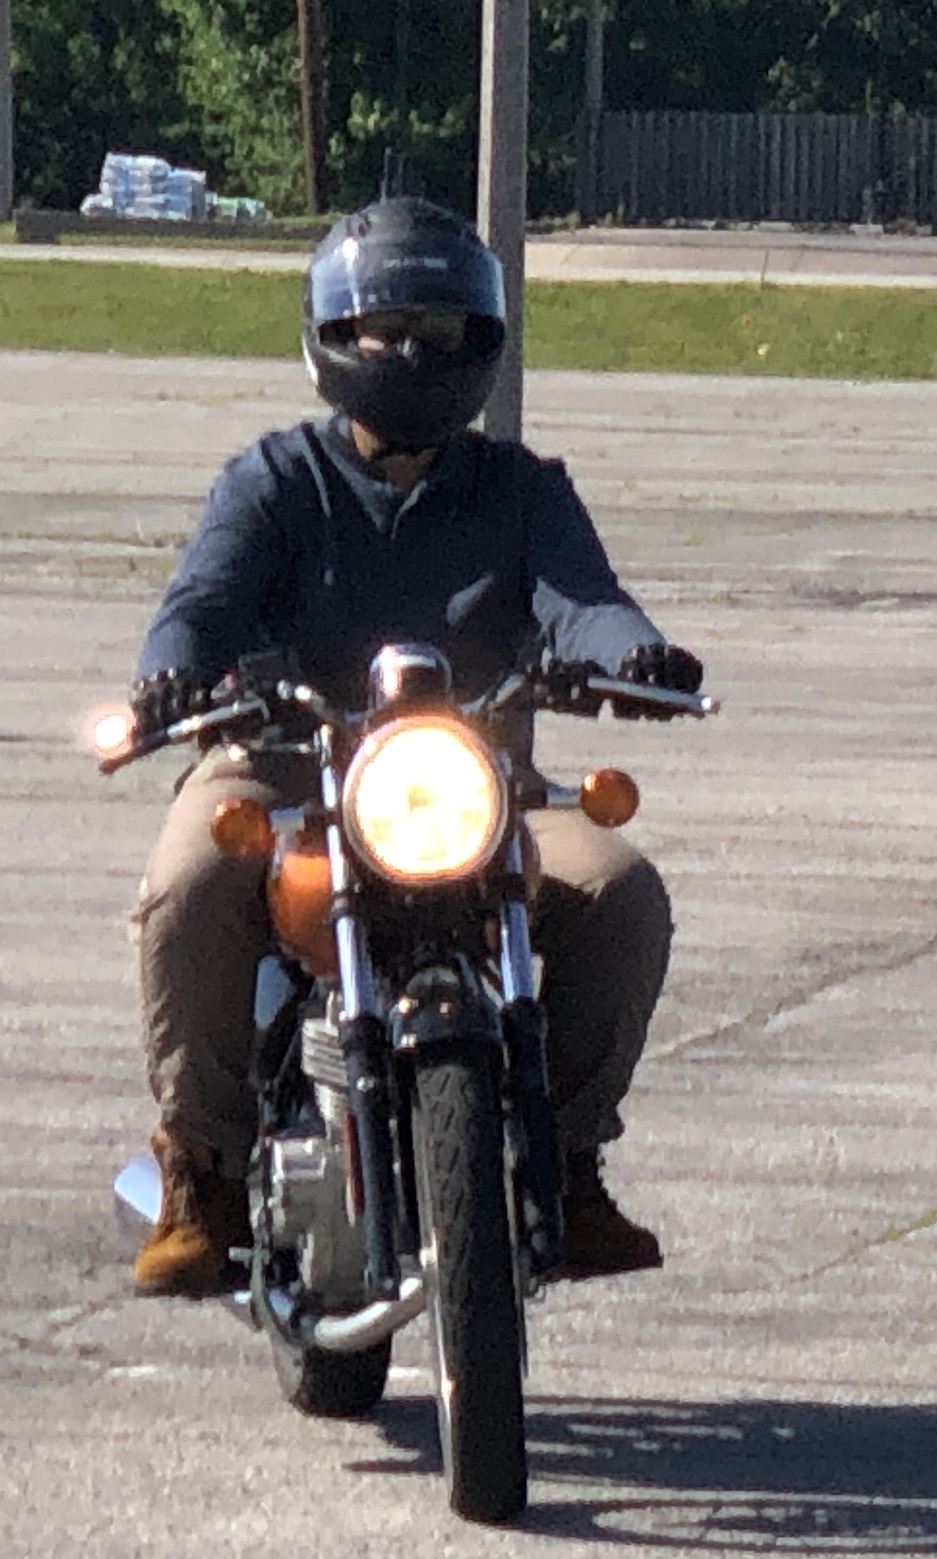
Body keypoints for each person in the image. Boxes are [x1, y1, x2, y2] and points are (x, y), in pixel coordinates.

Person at [123, 196, 703, 1298]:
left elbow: (587, 602)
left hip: (474, 779)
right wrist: (175, 674)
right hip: (288, 761)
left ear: (479, 342)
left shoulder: (521, 490)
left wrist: (642, 657)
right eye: (385, 329)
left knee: (618, 889)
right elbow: (199, 602)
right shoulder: (275, 480)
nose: (410, 352)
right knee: (193, 879)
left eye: (439, 329)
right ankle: (197, 1165)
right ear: (334, 341)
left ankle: (570, 1161)